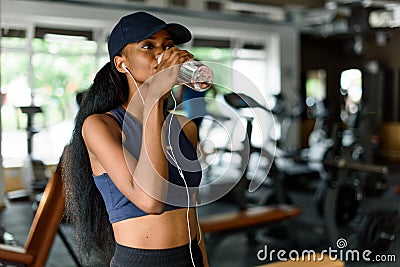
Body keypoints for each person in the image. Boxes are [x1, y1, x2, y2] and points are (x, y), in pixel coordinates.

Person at [62, 11, 208, 267]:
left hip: (189, 257)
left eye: (168, 46)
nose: (161, 55)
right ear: (121, 64)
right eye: (148, 46)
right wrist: (154, 98)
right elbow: (150, 201)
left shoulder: (184, 127)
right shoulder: (99, 126)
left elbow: (191, 213)